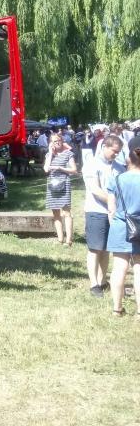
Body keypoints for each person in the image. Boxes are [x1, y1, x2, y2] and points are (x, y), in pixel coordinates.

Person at [82, 135, 124, 296]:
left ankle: (102, 280)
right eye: (114, 151)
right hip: (96, 211)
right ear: (104, 146)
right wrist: (113, 203)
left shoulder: (119, 167)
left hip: (114, 213)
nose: (116, 154)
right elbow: (95, 189)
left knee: (106, 249)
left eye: (118, 152)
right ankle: (94, 284)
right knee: (95, 249)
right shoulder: (91, 164)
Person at [105, 135, 140, 317]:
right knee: (139, 269)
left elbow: (111, 208)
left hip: (120, 226)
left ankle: (117, 309)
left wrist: (115, 224)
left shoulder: (117, 179)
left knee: (119, 268)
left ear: (129, 157)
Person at [44, 134, 77, 246]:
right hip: (52, 185)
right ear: (51, 143)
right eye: (54, 141)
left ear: (62, 140)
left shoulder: (68, 154)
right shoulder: (49, 155)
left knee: (66, 212)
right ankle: (60, 239)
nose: (57, 142)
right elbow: (46, 169)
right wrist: (50, 153)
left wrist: (60, 168)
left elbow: (74, 170)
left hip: (64, 183)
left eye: (59, 140)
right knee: (55, 213)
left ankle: (69, 240)